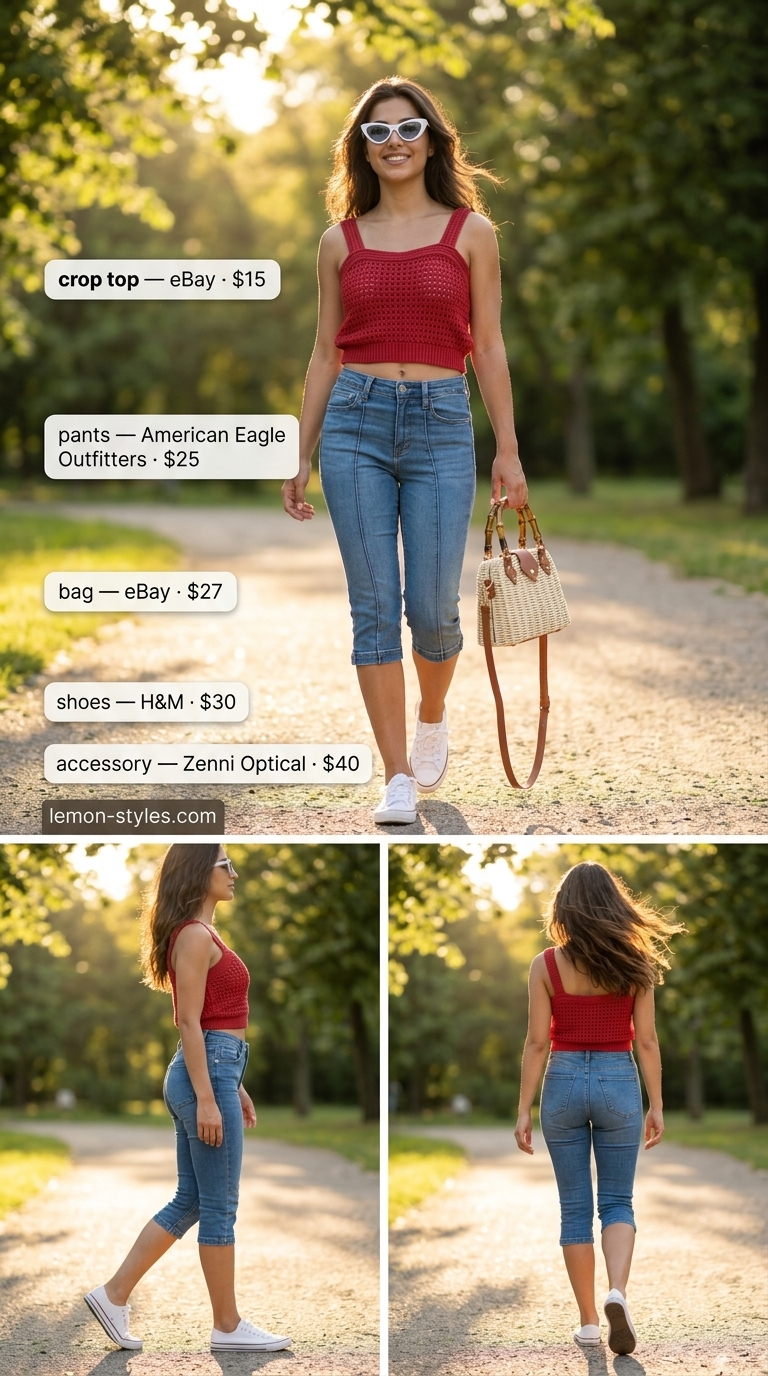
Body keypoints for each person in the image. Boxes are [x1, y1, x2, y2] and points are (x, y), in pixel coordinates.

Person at [282, 76, 528, 825]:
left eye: (407, 128)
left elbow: (486, 346)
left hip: (441, 425)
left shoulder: (471, 234)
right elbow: (325, 351)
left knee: (432, 609)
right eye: (377, 132)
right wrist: (301, 452)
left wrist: (508, 451)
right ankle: (395, 776)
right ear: (360, 148)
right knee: (374, 610)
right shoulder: (338, 242)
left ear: (432, 139)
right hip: (355, 422)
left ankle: (431, 713)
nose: (393, 143)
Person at [84, 843, 291, 1354]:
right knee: (220, 1206)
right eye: (225, 865)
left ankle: (112, 1296)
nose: (235, 873)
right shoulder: (195, 937)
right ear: (200, 873)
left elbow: (212, 1023)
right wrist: (207, 1095)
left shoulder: (200, 933)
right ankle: (227, 1326)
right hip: (206, 1074)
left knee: (192, 1200)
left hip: (216, 1070)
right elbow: (189, 1022)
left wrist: (232, 1086)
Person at [514, 861, 683, 1354]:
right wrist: (656, 1104)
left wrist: (524, 1107)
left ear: (564, 908)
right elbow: (647, 1042)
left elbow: (536, 1043)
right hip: (618, 1079)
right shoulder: (636, 963)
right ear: (616, 904)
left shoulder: (545, 965)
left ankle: (589, 1321)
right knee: (618, 1202)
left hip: (563, 1080)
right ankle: (618, 1293)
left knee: (573, 1210)